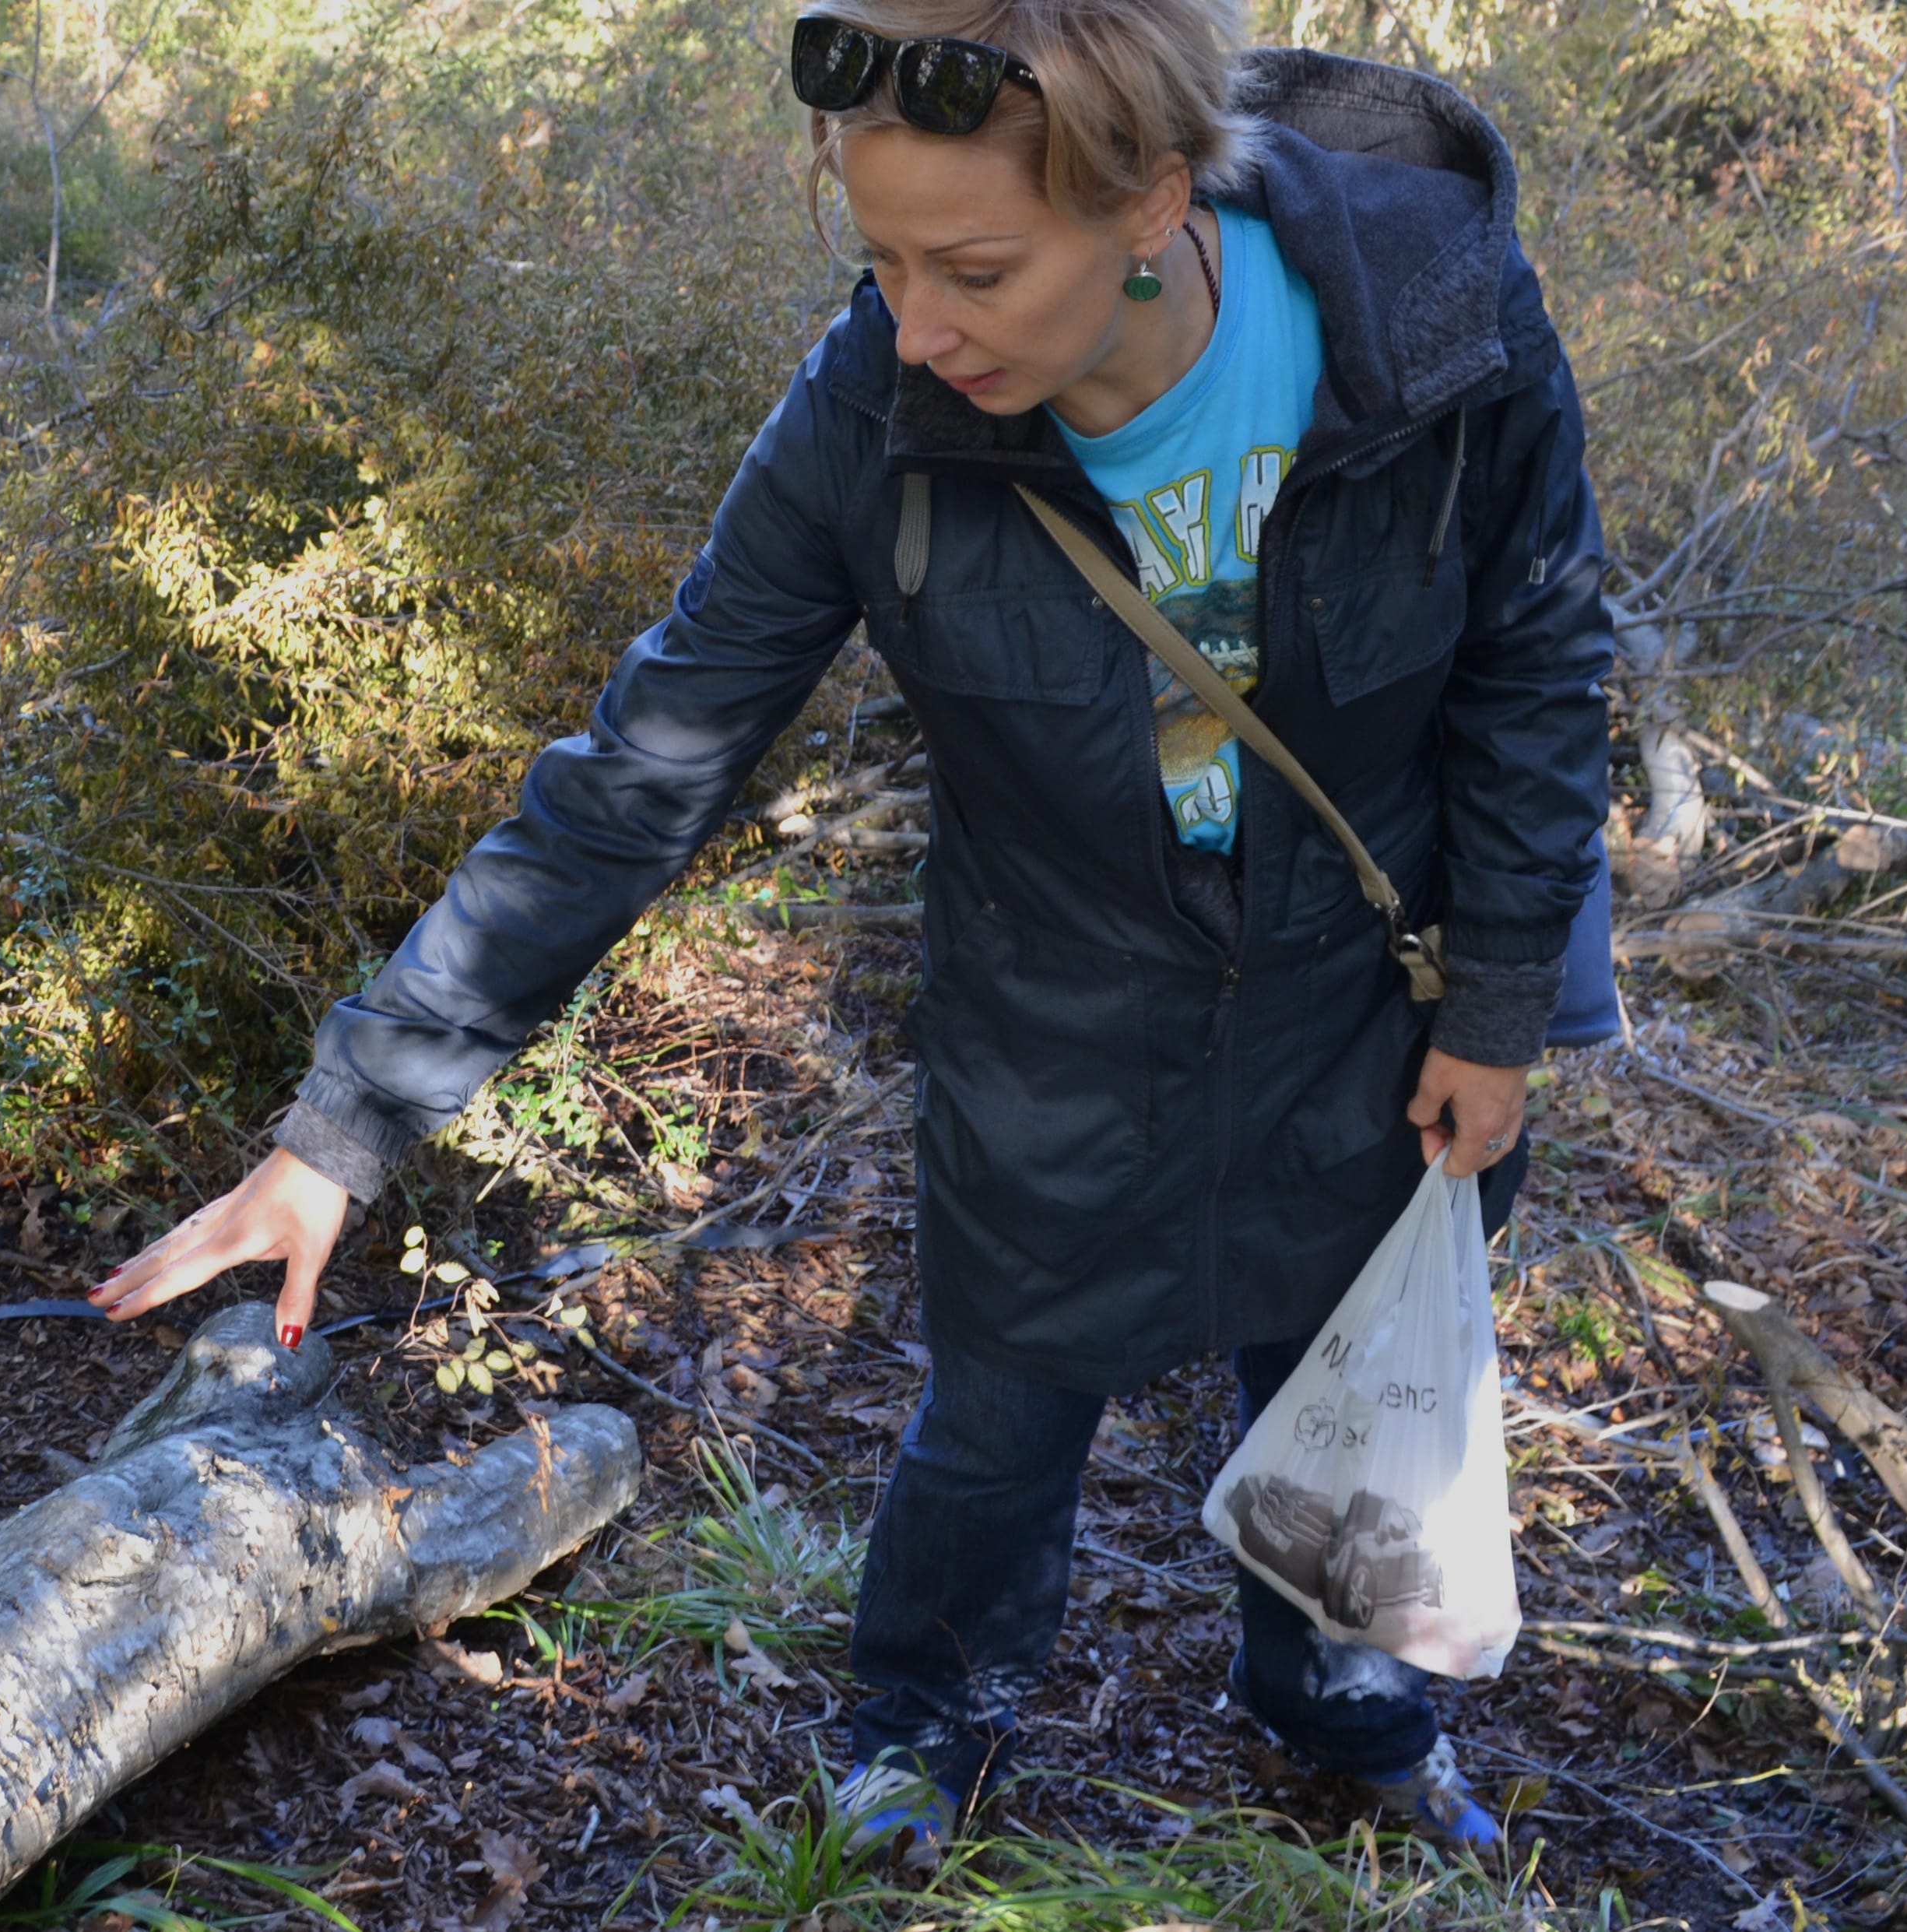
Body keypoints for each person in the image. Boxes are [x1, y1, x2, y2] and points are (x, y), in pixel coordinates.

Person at [90, 0, 1619, 1859]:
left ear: (1147, 199)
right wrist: (350, 1125)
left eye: (972, 267)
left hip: (1384, 987)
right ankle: (930, 1719)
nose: (915, 328)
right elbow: (642, 769)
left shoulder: (1430, 325)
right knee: (1001, 1410)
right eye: (880, 259)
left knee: (1364, 1374)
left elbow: (1538, 665)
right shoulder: (875, 411)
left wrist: (1509, 1000)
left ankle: (1348, 1713)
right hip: (1058, 1007)